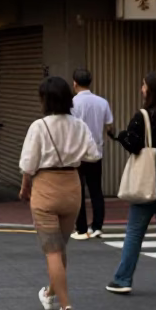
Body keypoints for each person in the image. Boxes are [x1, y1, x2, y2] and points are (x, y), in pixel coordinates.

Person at [19, 76, 100, 310]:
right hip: (72, 187)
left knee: (52, 250)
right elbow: (93, 154)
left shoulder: (39, 126)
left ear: (45, 100)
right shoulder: (79, 125)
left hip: (45, 187)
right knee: (60, 248)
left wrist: (25, 187)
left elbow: (28, 164)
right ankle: (49, 294)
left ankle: (66, 308)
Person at [106, 72, 156, 297]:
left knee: (134, 232)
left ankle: (123, 280)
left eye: (143, 85)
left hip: (149, 182)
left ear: (150, 89)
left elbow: (133, 145)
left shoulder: (143, 116)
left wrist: (121, 135)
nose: (141, 89)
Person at [70, 68, 114, 241]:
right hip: (96, 152)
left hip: (77, 154)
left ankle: (81, 228)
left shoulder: (72, 103)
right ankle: (97, 227)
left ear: (75, 83)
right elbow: (109, 126)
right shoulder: (102, 102)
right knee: (96, 190)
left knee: (78, 191)